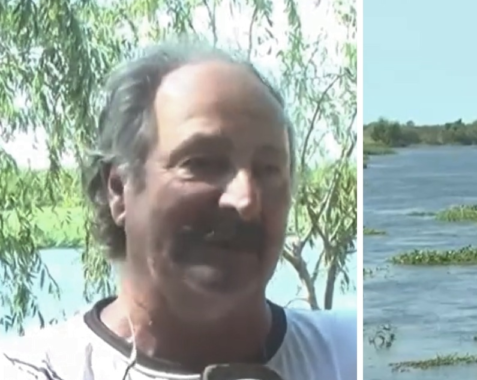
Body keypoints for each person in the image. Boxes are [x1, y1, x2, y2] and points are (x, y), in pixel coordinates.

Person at [0, 40, 357, 380]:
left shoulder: (350, 355)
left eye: (269, 169)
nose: (245, 199)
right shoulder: (34, 370)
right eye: (202, 162)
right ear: (119, 190)